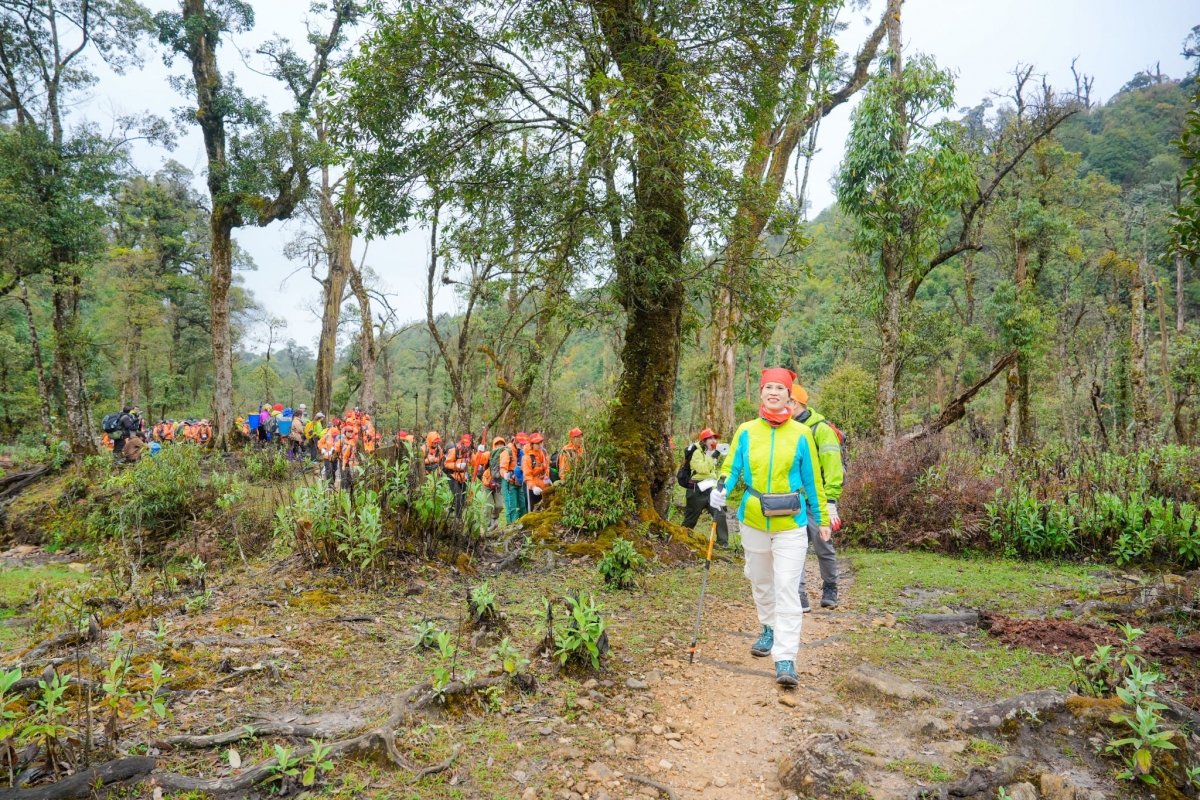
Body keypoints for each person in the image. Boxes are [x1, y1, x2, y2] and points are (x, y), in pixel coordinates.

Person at [710, 368, 828, 688]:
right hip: (753, 518)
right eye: (768, 387)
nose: (774, 392)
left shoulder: (802, 435)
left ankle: (786, 656)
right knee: (760, 580)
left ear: (790, 396)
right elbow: (732, 466)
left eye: (780, 388)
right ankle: (768, 627)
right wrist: (721, 488)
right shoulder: (746, 431)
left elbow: (812, 481)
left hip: (791, 522)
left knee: (787, 586)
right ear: (760, 393)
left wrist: (822, 518)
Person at [789, 385, 845, 610]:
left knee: (823, 544)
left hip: (818, 499)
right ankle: (799, 593)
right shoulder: (785, 427)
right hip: (791, 499)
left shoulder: (820, 429)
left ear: (794, 402)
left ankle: (830, 586)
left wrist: (830, 499)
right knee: (793, 546)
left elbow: (833, 467)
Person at [681, 428, 730, 547]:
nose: (713, 441)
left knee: (720, 513)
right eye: (710, 438)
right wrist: (711, 456)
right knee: (691, 518)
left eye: (715, 438)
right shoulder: (697, 453)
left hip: (710, 489)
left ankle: (723, 543)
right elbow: (702, 469)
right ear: (704, 441)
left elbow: (711, 472)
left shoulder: (712, 452)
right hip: (696, 490)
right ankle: (682, 537)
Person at [500, 433, 528, 523]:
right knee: (511, 508)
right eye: (521, 443)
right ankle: (510, 528)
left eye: (524, 443)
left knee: (524, 506)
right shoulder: (507, 451)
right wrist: (506, 475)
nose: (523, 445)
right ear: (515, 441)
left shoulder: (523, 451)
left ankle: (520, 526)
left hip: (520, 482)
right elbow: (502, 468)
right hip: (509, 483)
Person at [444, 433, 473, 516]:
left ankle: (451, 512)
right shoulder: (454, 450)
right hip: (453, 476)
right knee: (458, 497)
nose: (467, 447)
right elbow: (446, 464)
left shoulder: (469, 451)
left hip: (463, 477)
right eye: (465, 444)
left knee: (462, 499)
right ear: (462, 442)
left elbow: (472, 461)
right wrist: (457, 466)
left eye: (468, 445)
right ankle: (458, 519)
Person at [522, 432, 551, 511]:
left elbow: (547, 467)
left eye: (541, 442)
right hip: (531, 487)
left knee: (545, 509)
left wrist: (547, 480)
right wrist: (534, 487)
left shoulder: (544, 453)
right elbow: (527, 476)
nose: (540, 445)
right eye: (537, 443)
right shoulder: (527, 458)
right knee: (532, 511)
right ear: (532, 445)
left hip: (543, 486)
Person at [482, 436, 507, 521]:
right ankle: (487, 526)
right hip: (487, 483)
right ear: (494, 445)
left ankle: (494, 518)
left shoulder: (506, 455)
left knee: (499, 506)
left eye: (501, 444)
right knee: (488, 506)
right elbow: (479, 459)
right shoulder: (489, 454)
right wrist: (479, 452)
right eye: (497, 444)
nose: (499, 446)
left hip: (498, 485)